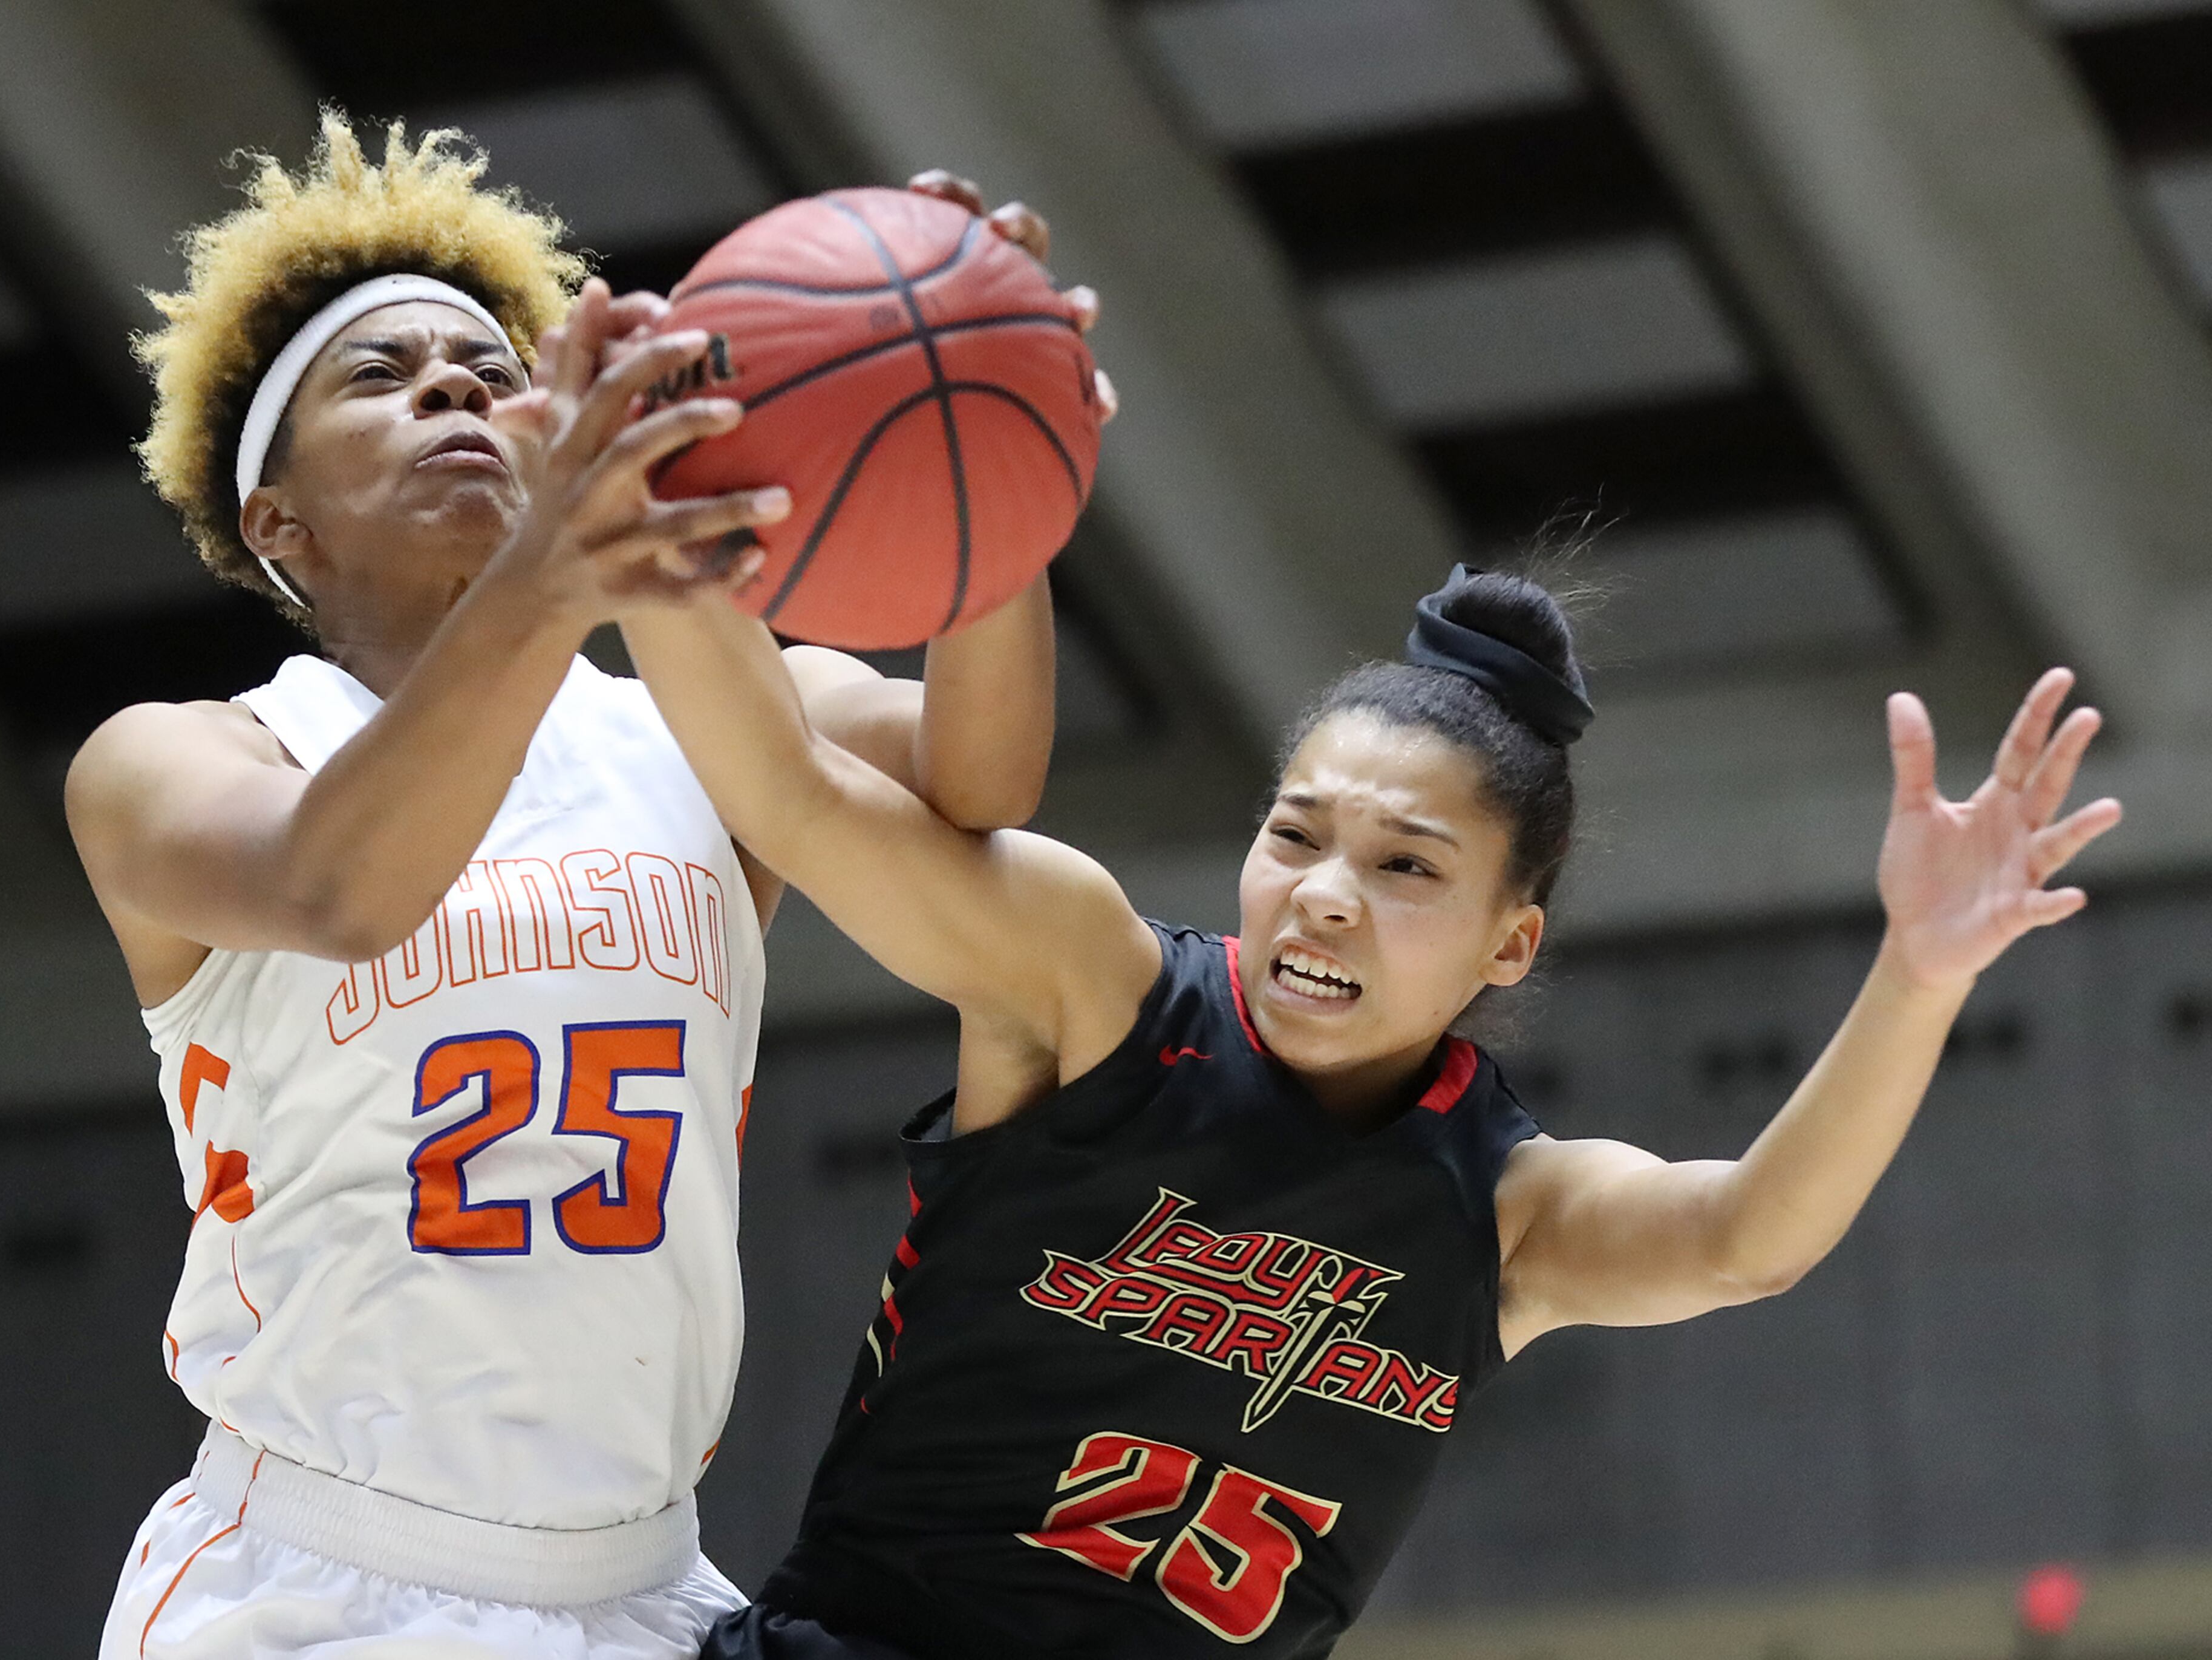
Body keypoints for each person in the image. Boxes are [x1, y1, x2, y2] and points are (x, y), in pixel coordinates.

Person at [612, 563, 2122, 1660]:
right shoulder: (1092, 986)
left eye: (1405, 866)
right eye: (1296, 836)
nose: (1325, 895)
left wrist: (1922, 972)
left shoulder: (1503, 1207)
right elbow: (792, 798)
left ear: (1510, 942)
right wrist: (629, 537)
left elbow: (1747, 1238)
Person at [68, 113, 1105, 1658]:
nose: (453, 391)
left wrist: (994, 445)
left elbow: (981, 781)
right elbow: (341, 889)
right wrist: (558, 568)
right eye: (383, 375)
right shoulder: (183, 757)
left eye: (491, 372)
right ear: (278, 524)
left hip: (643, 1584)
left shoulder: (701, 721)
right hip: (319, 1577)